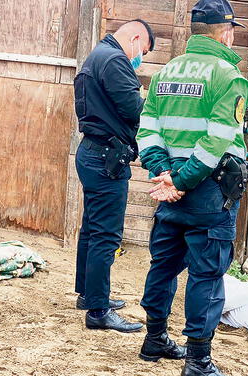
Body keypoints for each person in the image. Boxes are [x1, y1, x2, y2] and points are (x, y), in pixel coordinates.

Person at [135, 1, 248, 374]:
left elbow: (147, 127)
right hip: (209, 192)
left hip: (169, 189)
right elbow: (216, 142)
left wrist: (164, 173)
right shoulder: (229, 77)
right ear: (226, 31)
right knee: (206, 274)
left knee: (163, 266)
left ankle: (154, 340)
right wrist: (181, 181)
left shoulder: (168, 70)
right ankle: (198, 360)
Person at [73, 19, 155, 333]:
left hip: (93, 152)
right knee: (106, 236)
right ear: (135, 38)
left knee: (92, 229)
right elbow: (137, 112)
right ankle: (98, 311)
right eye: (143, 51)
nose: (141, 58)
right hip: (106, 158)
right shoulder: (115, 60)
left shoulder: (96, 56)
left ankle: (88, 295)